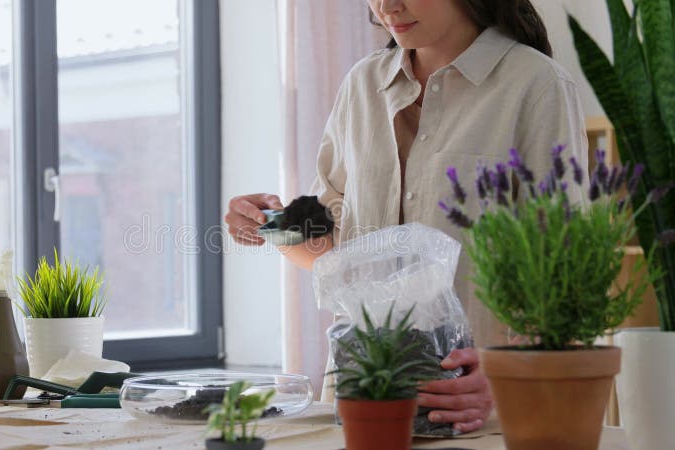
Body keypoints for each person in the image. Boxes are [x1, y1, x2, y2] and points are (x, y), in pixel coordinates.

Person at [225, 0, 588, 434]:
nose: (386, 6)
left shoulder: (536, 85)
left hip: (479, 416)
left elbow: (564, 280)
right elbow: (337, 255)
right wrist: (272, 226)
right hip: (362, 403)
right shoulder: (362, 85)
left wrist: (501, 375)